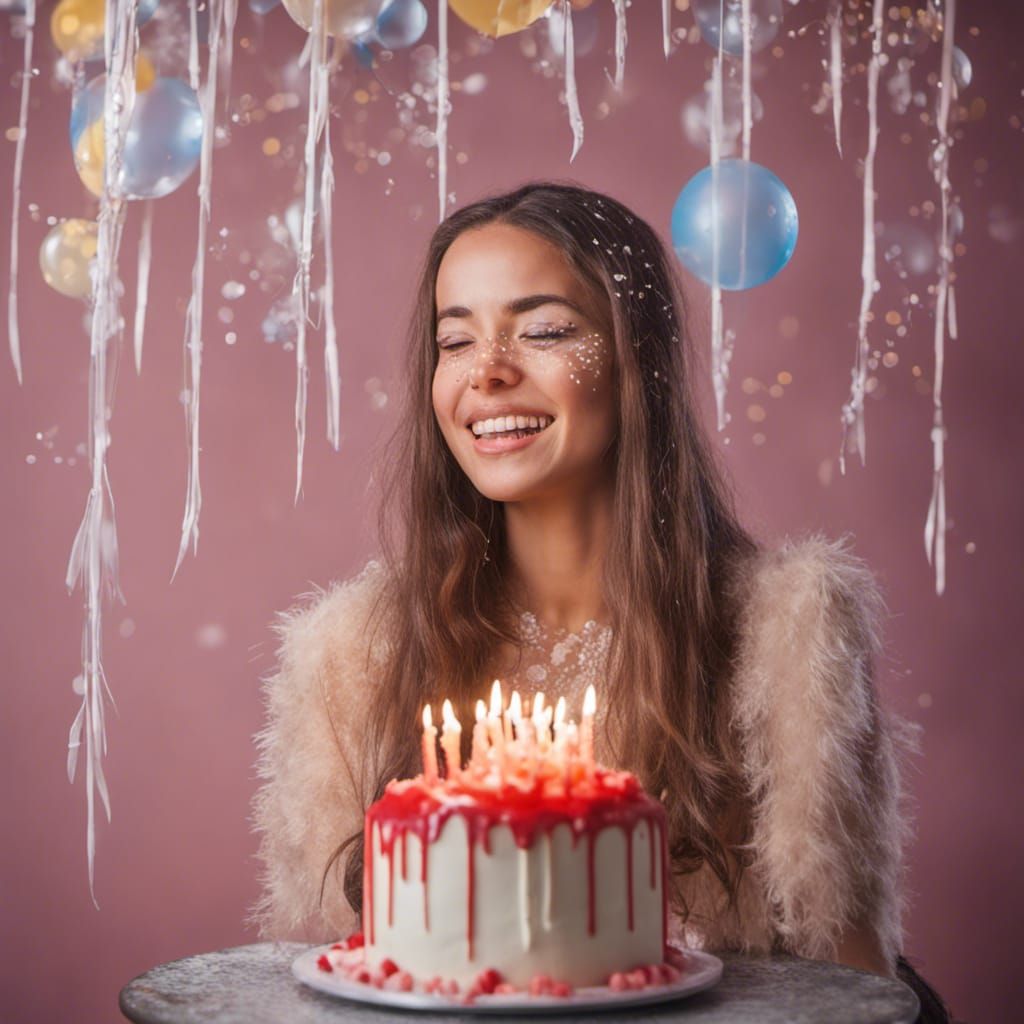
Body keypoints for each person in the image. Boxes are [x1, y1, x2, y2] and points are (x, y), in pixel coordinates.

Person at [251, 182, 952, 1021]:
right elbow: (366, 980)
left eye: (545, 331)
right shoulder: (355, 653)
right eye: (455, 339)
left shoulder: (783, 631)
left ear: (637, 359)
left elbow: (853, 982)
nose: (489, 372)